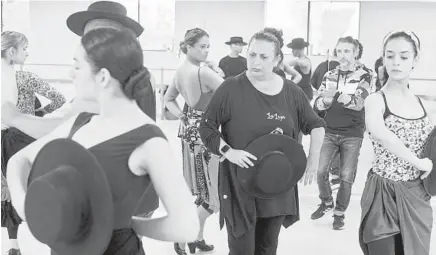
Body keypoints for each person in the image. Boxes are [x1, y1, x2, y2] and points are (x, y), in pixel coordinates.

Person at [7, 28, 200, 255]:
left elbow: (186, 226)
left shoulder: (148, 140)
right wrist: (24, 206)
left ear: (103, 77)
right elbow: (18, 161)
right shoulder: (80, 122)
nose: (71, 74)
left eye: (77, 66)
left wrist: (133, 224)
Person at [198, 28, 325, 254]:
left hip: (276, 183)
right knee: (241, 248)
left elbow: (316, 125)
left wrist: (313, 158)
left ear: (277, 60)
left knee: (267, 247)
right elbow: (206, 127)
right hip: (239, 184)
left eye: (264, 57)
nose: (256, 62)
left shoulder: (291, 92)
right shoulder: (230, 88)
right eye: (252, 55)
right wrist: (229, 151)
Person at [359, 30, 434, 255]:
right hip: (383, 195)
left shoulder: (424, 104)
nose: (396, 62)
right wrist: (419, 162)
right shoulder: (375, 100)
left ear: (415, 60)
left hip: (417, 196)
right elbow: (381, 134)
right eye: (390, 56)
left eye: (403, 56)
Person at [1, 31, 66, 255]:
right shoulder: (25, 77)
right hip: (25, 138)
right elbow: (59, 99)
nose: (28, 53)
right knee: (41, 187)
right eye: (25, 48)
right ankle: (52, 242)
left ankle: (13, 246)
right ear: (12, 52)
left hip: (3, 141)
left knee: (10, 190)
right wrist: (40, 113)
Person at [164, 28, 223, 255]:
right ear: (188, 47)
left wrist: (182, 115)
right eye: (202, 46)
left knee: (202, 193)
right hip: (206, 136)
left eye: (208, 46)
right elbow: (233, 90)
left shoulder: (180, 70)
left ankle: (195, 237)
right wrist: (216, 69)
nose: (207, 50)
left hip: (190, 133)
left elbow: (168, 99)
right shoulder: (203, 73)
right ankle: (183, 235)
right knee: (212, 199)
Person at [311, 36, 374, 230]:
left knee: (347, 176)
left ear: (356, 53)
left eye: (347, 51)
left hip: (352, 133)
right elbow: (318, 103)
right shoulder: (329, 74)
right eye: (339, 51)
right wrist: (326, 102)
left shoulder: (365, 75)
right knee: (321, 171)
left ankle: (339, 213)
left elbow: (358, 103)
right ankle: (327, 202)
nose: (342, 55)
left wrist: (336, 96)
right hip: (329, 129)